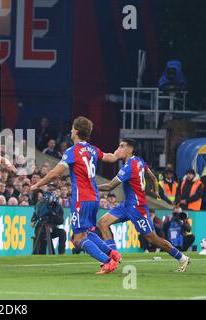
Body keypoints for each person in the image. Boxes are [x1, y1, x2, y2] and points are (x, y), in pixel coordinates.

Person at [30, 116, 120, 274]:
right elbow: (110, 157)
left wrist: (38, 184)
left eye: (72, 128)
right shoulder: (93, 149)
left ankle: (108, 262)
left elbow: (55, 173)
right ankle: (112, 253)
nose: (70, 130)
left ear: (77, 131)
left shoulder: (72, 151)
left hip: (82, 198)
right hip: (94, 197)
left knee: (78, 239)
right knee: (88, 233)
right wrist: (118, 154)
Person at [97, 139, 191, 272]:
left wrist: (90, 186)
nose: (118, 148)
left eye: (122, 146)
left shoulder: (129, 166)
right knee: (102, 222)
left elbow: (110, 186)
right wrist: (155, 190)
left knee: (153, 239)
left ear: (130, 149)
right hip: (127, 205)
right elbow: (152, 177)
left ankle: (182, 258)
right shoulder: (139, 161)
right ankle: (114, 257)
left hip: (137, 208)